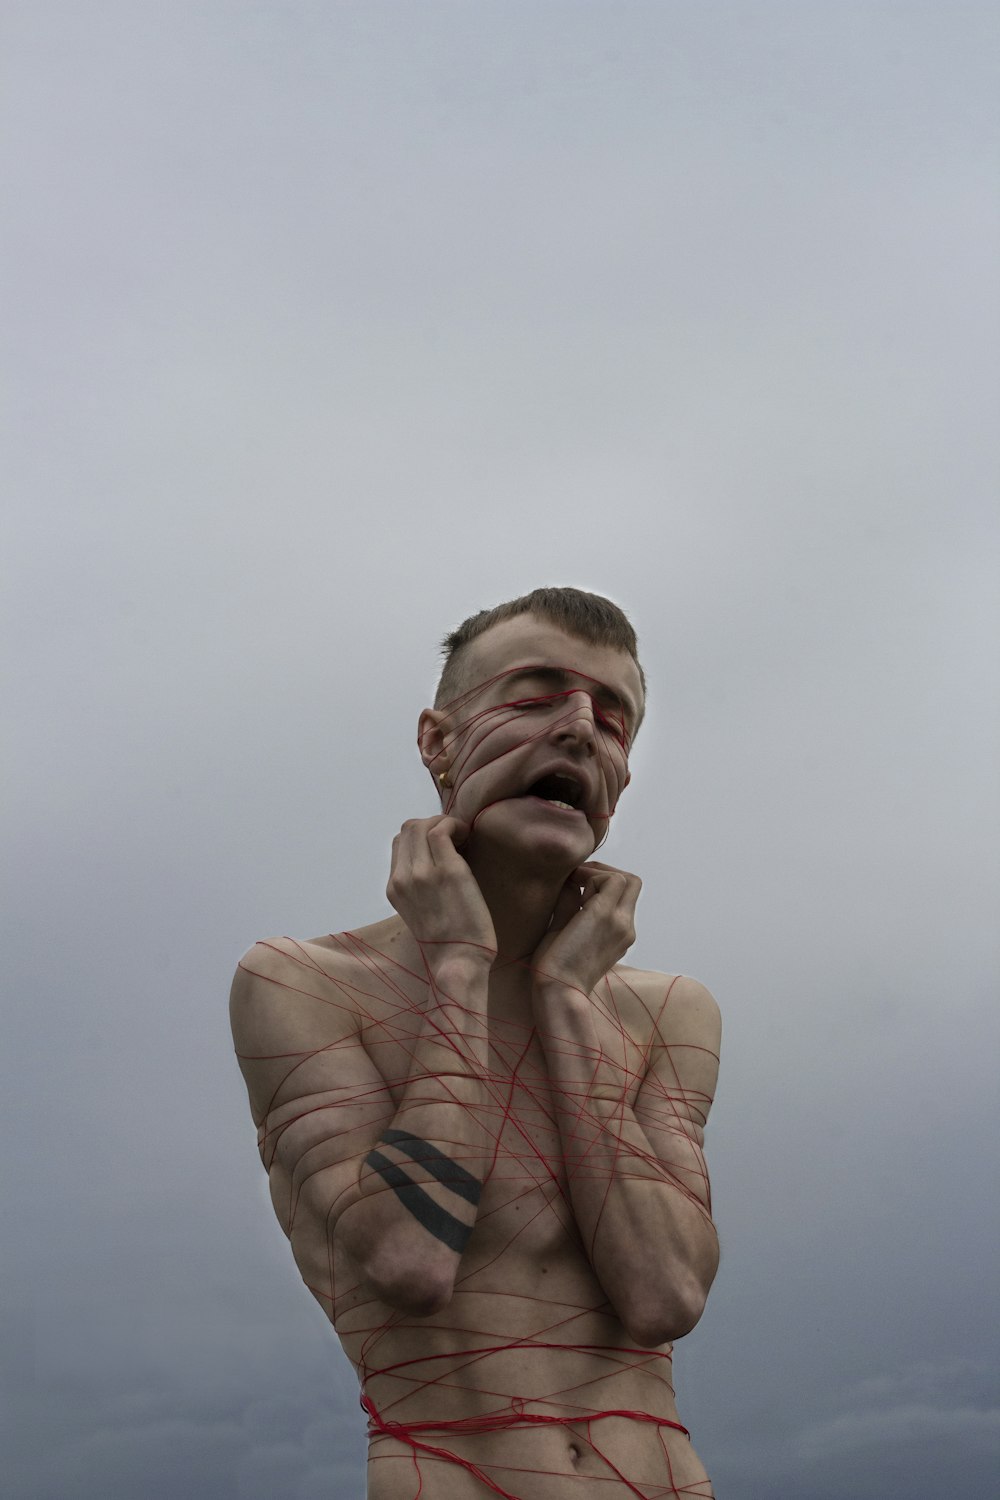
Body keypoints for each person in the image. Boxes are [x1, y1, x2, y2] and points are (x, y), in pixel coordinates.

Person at [230, 587, 722, 1499]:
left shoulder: (670, 1013)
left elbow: (665, 1296)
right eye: (536, 696)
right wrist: (460, 963)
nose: (581, 730)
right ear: (438, 742)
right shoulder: (301, 983)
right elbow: (410, 1262)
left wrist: (568, 1001)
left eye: (615, 721)